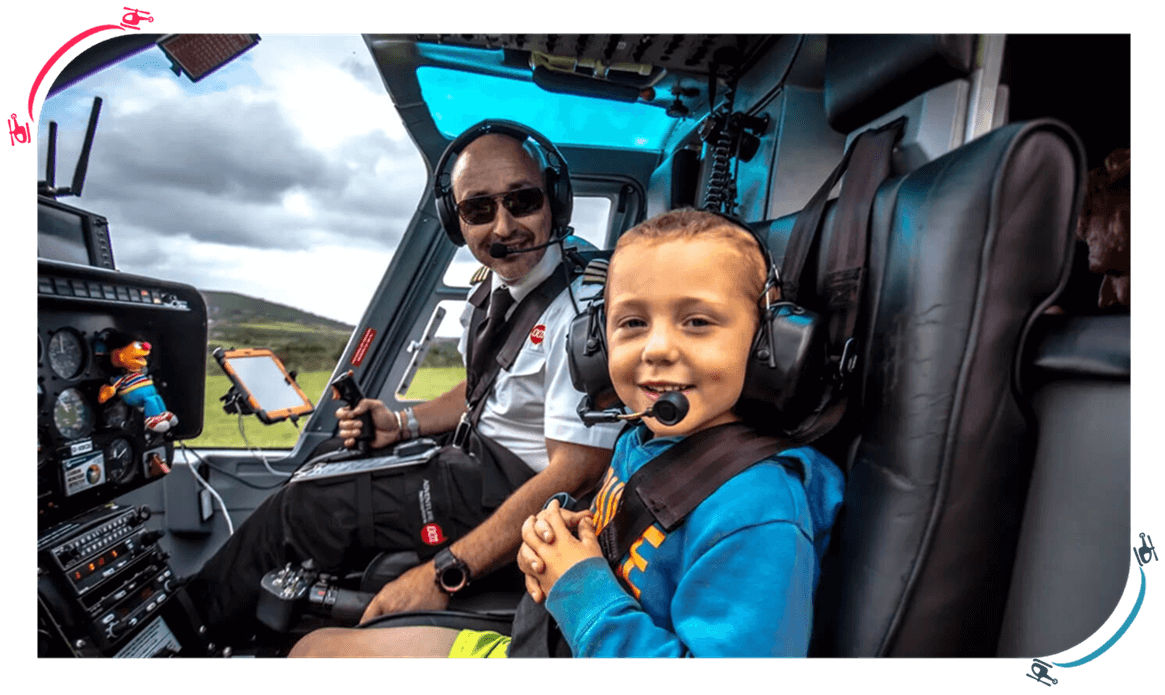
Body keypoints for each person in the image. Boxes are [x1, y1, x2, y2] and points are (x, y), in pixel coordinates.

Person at [289, 208, 846, 657]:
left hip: (579, 627)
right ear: (595, 347)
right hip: (552, 637)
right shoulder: (642, 440)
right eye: (632, 323)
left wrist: (577, 585)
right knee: (313, 648)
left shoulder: (758, 508)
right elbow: (631, 543)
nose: (657, 349)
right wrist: (563, 532)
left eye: (697, 321)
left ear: (767, 342)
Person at [186, 122, 624, 647]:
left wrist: (443, 573)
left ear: (555, 200)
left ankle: (184, 633)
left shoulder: (583, 308)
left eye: (522, 200)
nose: (504, 226)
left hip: (518, 490)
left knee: (306, 504)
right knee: (328, 454)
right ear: (455, 221)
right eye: (479, 210)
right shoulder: (492, 290)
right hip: (475, 462)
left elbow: (576, 472)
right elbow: (480, 389)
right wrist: (400, 423)